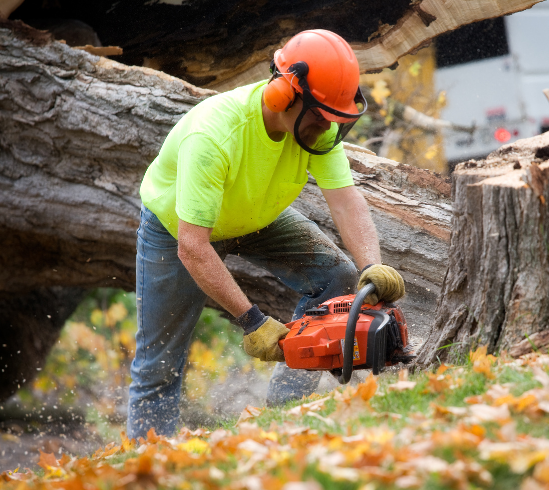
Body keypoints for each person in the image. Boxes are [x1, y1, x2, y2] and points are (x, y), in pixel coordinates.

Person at [127, 29, 405, 439]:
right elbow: (193, 247)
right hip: (177, 231)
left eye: (334, 118)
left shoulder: (318, 128)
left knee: (338, 277)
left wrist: (372, 266)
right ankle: (145, 465)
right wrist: (253, 321)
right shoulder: (214, 136)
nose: (327, 128)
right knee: (159, 366)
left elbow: (346, 201)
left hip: (255, 218)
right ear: (282, 95)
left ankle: (285, 417)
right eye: (320, 116)